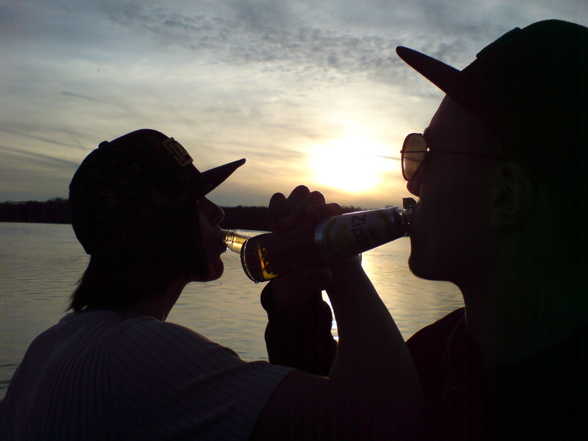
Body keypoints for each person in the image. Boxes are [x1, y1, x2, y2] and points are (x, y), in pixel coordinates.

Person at [263, 19, 588, 440]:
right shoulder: (433, 353)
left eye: (428, 153)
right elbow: (342, 423)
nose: (412, 182)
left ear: (506, 196)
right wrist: (300, 307)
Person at [0, 129, 423, 440]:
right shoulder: (137, 352)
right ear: (148, 230)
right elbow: (381, 421)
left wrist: (293, 301)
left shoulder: (53, 344)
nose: (217, 212)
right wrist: (343, 263)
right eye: (195, 203)